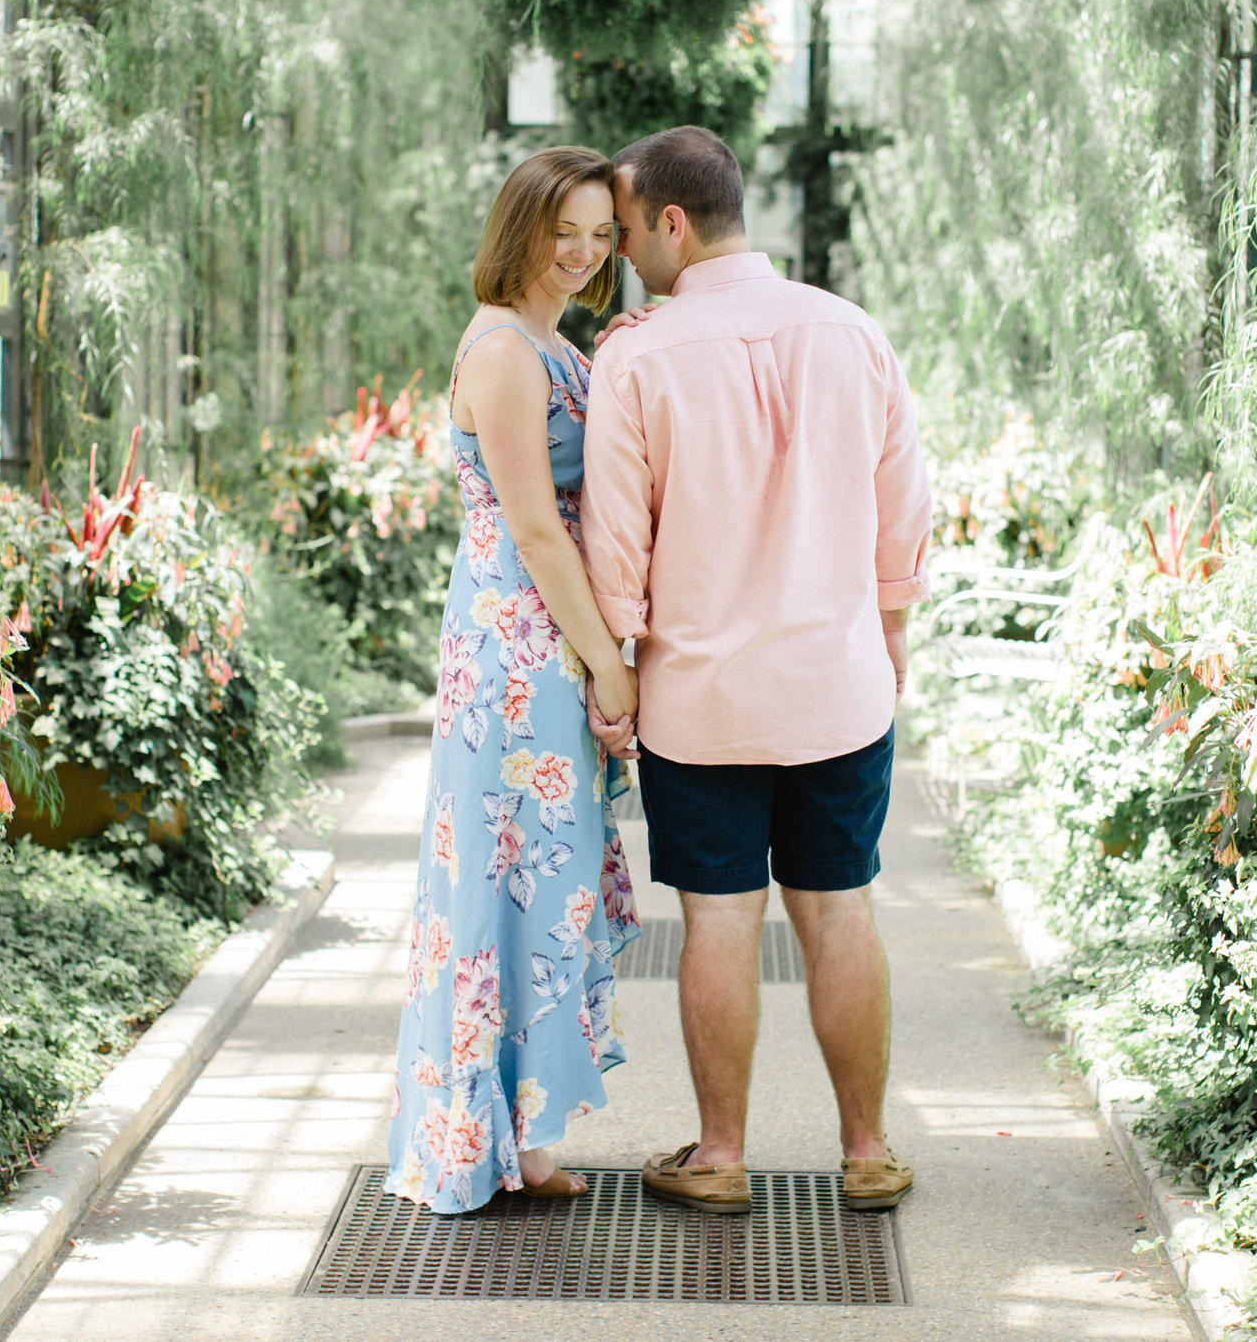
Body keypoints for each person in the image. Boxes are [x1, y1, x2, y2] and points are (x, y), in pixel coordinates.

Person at [580, 125, 931, 1215]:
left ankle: (722, 1154)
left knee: (721, 920)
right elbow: (903, 499)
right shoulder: (850, 330)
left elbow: (615, 536)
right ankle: (867, 1148)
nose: (622, 254)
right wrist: (891, 626)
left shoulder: (637, 354)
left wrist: (618, 666)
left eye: (629, 231)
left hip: (702, 700)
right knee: (838, 911)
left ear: (673, 223)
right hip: (837, 685)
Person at [385, 146, 642, 1213]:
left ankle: (524, 1127)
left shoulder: (551, 340)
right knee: (505, 875)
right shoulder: (501, 348)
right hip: (519, 642)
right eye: (563, 231)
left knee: (539, 872)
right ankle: (488, 1135)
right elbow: (537, 526)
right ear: (521, 227)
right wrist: (607, 664)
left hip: (540, 635)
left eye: (599, 234)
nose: (582, 253)